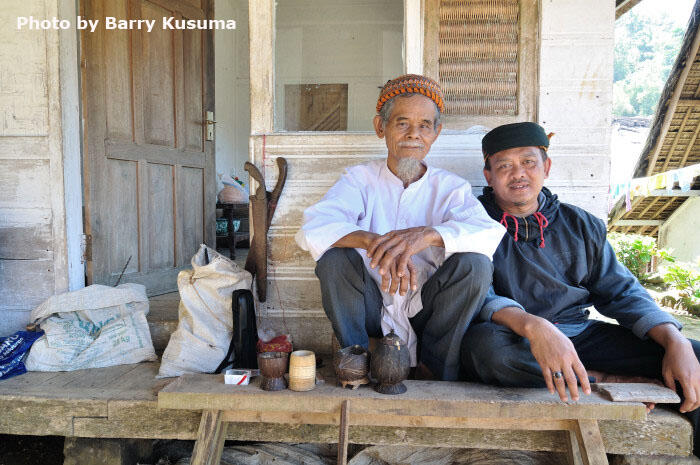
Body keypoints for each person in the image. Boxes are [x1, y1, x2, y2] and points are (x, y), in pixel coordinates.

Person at [460, 121, 700, 454]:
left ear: (546, 167)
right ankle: (603, 379)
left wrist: (674, 338)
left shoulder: (581, 225)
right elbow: (478, 295)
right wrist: (534, 326)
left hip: (578, 335)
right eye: (504, 166)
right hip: (516, 340)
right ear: (488, 176)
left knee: (692, 355)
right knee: (486, 352)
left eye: (528, 162)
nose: (518, 173)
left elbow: (621, 291)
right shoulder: (470, 221)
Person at [295, 74, 505, 380]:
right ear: (381, 127)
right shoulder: (359, 179)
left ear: (437, 132)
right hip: (371, 304)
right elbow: (313, 228)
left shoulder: (451, 188)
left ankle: (435, 368)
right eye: (402, 123)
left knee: (475, 264)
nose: (413, 135)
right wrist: (374, 242)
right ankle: (356, 362)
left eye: (424, 126)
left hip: (427, 309)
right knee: (333, 259)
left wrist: (426, 236)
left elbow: (488, 234)